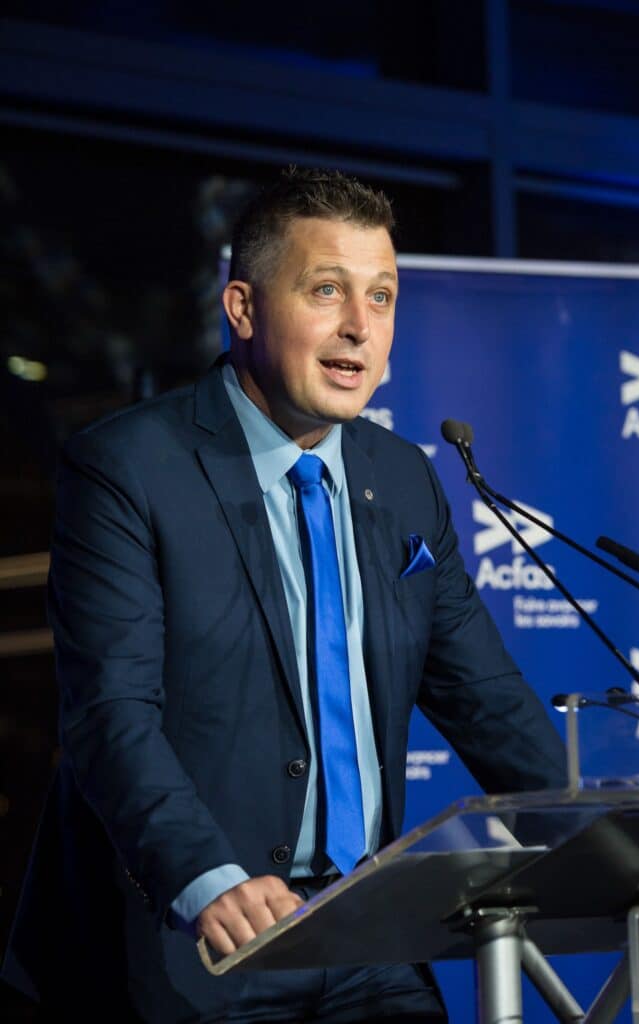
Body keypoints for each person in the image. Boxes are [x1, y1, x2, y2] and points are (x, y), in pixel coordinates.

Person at [2, 167, 567, 1022]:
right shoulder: (128, 468)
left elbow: (483, 697)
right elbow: (111, 715)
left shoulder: (402, 478)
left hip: (364, 928)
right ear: (242, 308)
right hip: (196, 941)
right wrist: (206, 878)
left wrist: (600, 836)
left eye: (381, 297)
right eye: (326, 290)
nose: (358, 327)